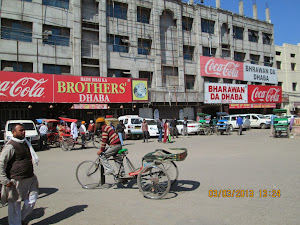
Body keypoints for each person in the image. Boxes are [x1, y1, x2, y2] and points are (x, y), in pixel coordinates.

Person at [0, 124, 39, 225]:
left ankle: (21, 218)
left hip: (30, 177)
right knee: (14, 205)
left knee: (32, 199)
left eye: (24, 130)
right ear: (13, 132)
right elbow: (1, 163)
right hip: (16, 180)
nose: (24, 132)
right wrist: (4, 180)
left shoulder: (25, 143)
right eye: (21, 130)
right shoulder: (10, 146)